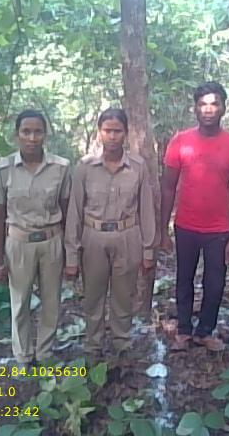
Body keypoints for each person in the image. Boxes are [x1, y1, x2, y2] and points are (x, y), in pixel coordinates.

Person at [160, 82, 229, 352]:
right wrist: (163, 230)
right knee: (184, 278)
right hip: (186, 225)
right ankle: (184, 330)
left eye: (214, 104)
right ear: (195, 108)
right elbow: (168, 187)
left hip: (219, 229)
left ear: (223, 107)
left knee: (215, 282)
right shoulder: (180, 141)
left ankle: (205, 331)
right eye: (202, 104)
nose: (208, 109)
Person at [64, 108, 155, 357]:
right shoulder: (85, 167)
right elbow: (74, 211)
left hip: (127, 235)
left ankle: (121, 343)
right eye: (107, 131)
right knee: (93, 295)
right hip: (93, 237)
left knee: (124, 295)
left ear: (126, 133)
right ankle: (93, 345)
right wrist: (71, 255)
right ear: (99, 133)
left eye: (117, 131)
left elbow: (146, 210)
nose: (112, 136)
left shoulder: (137, 167)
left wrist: (148, 250)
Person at [0, 109, 71, 365]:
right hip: (18, 243)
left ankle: (45, 354)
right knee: (20, 303)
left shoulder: (61, 167)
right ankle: (23, 356)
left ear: (45, 135)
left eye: (37, 132)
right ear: (17, 134)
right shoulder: (2, 169)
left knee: (51, 302)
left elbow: (68, 213)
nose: (32, 138)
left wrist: (70, 253)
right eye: (26, 132)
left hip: (52, 241)